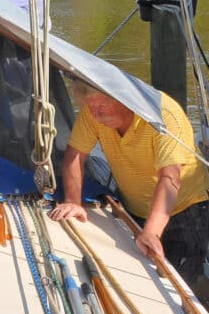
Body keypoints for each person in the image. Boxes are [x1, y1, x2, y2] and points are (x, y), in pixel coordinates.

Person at [50, 82, 209, 289]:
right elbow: (75, 155)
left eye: (102, 107)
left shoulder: (163, 115)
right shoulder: (93, 113)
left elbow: (170, 178)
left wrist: (151, 231)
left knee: (177, 285)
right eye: (91, 107)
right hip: (134, 209)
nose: (96, 115)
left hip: (186, 209)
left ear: (124, 100)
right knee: (142, 279)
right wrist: (73, 201)